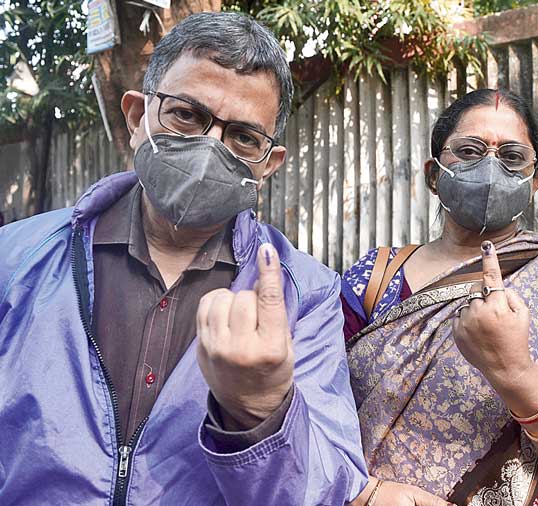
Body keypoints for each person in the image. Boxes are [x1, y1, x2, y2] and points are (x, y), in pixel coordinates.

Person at [0, 13, 367, 505]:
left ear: (267, 165)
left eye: (243, 137)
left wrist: (261, 412)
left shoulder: (306, 294)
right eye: (186, 115)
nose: (209, 147)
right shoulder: (17, 258)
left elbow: (328, 488)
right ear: (136, 117)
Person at [342, 89, 538, 505]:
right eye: (470, 151)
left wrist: (515, 373)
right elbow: (312, 414)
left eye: (511, 156)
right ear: (433, 174)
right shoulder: (374, 278)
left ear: (534, 182)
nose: (490, 166)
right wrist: (371, 493)